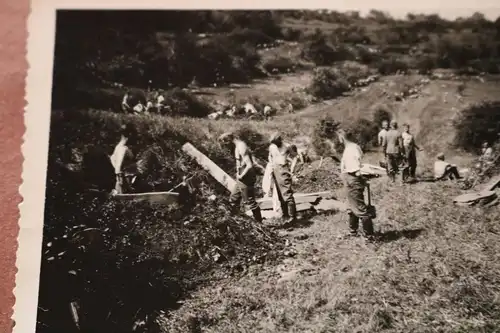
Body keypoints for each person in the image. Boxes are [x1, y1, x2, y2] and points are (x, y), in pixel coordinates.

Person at [335, 129, 375, 238]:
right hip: (350, 179)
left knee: (360, 209)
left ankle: (370, 236)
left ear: (341, 137)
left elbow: (356, 170)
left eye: (339, 137)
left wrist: (361, 179)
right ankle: (353, 232)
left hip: (352, 179)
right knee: (351, 207)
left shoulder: (351, 149)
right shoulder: (351, 147)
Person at [218, 132, 263, 223]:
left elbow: (249, 165)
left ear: (228, 140)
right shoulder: (238, 146)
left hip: (246, 177)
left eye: (225, 143)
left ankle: (259, 222)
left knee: (250, 201)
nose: (226, 146)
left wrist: (241, 175)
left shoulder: (241, 146)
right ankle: (237, 221)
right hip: (241, 177)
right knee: (233, 199)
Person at [269, 133, 298, 224]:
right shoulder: (272, 147)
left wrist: (292, 169)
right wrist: (272, 166)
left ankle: (292, 217)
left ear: (280, 140)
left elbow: (295, 156)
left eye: (277, 142)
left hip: (283, 169)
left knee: (287, 193)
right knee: (280, 194)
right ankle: (285, 215)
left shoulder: (287, 146)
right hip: (275, 170)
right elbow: (270, 156)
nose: (275, 144)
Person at [110, 124, 139, 194]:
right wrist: (120, 179)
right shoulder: (123, 149)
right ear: (129, 135)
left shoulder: (118, 147)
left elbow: (112, 158)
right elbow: (118, 165)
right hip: (125, 180)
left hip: (124, 178)